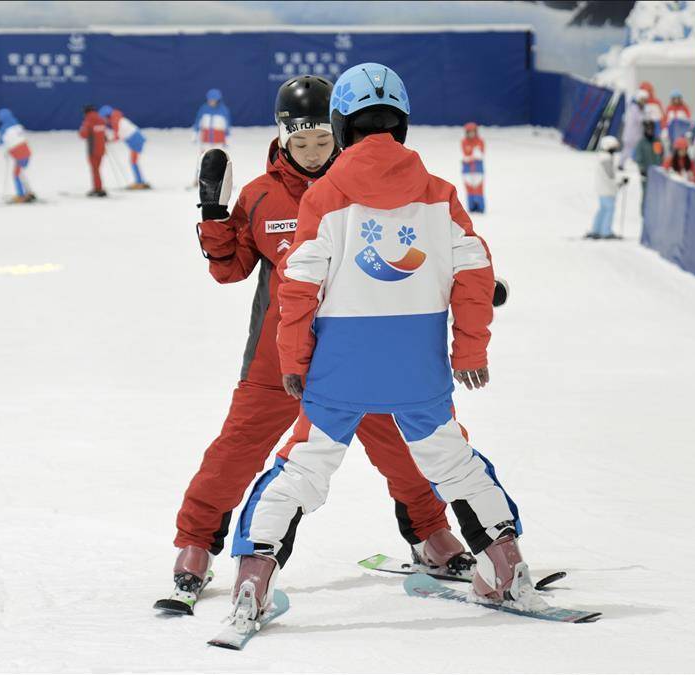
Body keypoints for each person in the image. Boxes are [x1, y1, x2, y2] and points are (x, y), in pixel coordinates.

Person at [226, 62, 539, 632]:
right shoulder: (440, 195)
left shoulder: (325, 195)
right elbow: (474, 272)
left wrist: (296, 361)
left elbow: (297, 286)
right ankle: (506, 565)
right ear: (403, 124)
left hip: (339, 370)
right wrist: (469, 351)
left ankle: (254, 577)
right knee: (456, 465)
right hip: (418, 371)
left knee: (303, 470)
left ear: (341, 126)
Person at [169, 75, 475, 614]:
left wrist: (470, 282)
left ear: (339, 133)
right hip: (275, 359)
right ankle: (195, 544)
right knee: (235, 452)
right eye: (300, 143)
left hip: (356, 355)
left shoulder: (366, 189)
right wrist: (214, 219)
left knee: (403, 452)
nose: (312, 154)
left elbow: (417, 249)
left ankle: (429, 533)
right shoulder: (260, 196)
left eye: (322, 142)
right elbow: (232, 270)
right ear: (282, 138)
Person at [0, 108, 36, 203]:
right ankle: (29, 193)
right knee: (20, 174)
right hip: (26, 152)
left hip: (20, 155)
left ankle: (21, 196)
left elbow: (0, 141)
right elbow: (15, 139)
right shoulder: (17, 124)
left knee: (16, 175)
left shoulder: (4, 128)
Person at [99, 104, 150, 189]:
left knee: (133, 161)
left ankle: (140, 182)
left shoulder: (115, 121)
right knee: (133, 161)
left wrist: (107, 140)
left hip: (135, 140)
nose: (104, 120)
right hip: (136, 139)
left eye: (103, 118)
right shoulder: (117, 119)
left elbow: (117, 136)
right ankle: (139, 181)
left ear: (107, 116)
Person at [588, 135, 627, 239]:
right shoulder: (606, 159)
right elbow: (610, 175)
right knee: (609, 209)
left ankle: (596, 229)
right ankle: (606, 231)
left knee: (603, 209)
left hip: (603, 189)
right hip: (607, 190)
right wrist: (620, 182)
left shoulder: (603, 157)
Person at [192, 88, 232, 187]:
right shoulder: (203, 109)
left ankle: (221, 182)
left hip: (218, 141)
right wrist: (195, 134)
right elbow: (198, 121)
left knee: (219, 161)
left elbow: (227, 126)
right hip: (206, 140)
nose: (212, 102)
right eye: (210, 100)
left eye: (214, 100)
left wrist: (227, 139)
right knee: (202, 160)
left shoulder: (224, 111)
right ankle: (198, 180)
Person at [633, 119, 664, 213]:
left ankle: (655, 212)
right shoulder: (641, 143)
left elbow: (660, 156)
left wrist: (660, 168)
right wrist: (642, 169)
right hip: (645, 173)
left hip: (656, 174)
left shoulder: (657, 141)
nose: (650, 131)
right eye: (648, 129)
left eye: (651, 129)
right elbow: (638, 158)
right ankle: (644, 213)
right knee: (646, 193)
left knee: (656, 193)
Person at [78, 104, 108, 197]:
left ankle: (98, 189)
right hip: (101, 150)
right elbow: (104, 135)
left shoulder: (88, 121)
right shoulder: (101, 120)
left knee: (95, 170)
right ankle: (98, 187)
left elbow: (83, 135)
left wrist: (81, 129)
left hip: (92, 150)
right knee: (97, 169)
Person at [461, 122, 486, 213]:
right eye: (469, 132)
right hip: (467, 170)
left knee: (479, 188)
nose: (471, 134)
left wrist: (471, 157)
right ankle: (471, 207)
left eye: (473, 132)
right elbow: (466, 155)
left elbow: (480, 155)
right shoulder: (464, 141)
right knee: (469, 188)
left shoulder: (480, 141)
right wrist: (473, 156)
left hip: (478, 169)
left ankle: (480, 207)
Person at [621, 89, 647, 165]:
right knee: (627, 150)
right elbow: (639, 119)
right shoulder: (634, 108)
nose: (644, 102)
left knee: (636, 150)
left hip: (636, 135)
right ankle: (621, 164)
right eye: (642, 100)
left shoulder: (638, 108)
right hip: (631, 135)